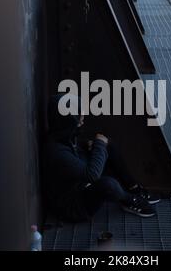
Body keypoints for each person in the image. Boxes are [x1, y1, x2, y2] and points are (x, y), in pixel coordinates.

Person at [43, 94, 160, 222]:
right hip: (75, 207)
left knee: (107, 144)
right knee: (108, 184)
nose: (82, 120)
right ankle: (128, 199)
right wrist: (99, 145)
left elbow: (75, 155)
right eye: (79, 118)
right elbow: (92, 175)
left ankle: (134, 188)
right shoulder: (57, 151)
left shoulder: (62, 135)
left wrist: (91, 146)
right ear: (69, 120)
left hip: (78, 183)